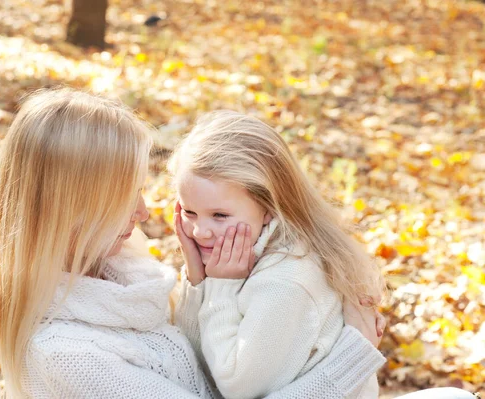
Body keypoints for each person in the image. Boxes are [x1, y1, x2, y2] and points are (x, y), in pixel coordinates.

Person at [0, 87, 472, 398]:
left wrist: (202, 284)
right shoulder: (69, 354)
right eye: (125, 197)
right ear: (73, 209)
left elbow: (203, 365)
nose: (143, 213)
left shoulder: (109, 270)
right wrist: (353, 354)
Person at [169, 111, 477, 399]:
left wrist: (219, 288)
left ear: (268, 207)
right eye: (190, 212)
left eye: (219, 215)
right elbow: (194, 369)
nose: (200, 231)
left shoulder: (286, 281)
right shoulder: (235, 260)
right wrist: (198, 279)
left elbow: (234, 387)